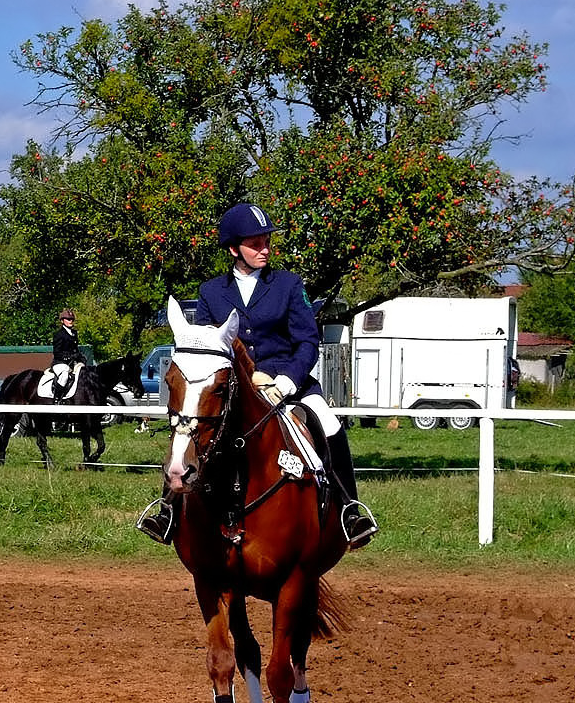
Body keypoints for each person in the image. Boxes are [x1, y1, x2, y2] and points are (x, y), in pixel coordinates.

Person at [137, 202, 378, 548]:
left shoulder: (289, 285)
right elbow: (204, 343)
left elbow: (308, 340)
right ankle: (168, 510)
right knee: (190, 427)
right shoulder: (211, 292)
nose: (264, 249)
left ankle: (350, 511)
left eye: (266, 242)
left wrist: (288, 381)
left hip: (287, 384)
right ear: (234, 249)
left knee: (330, 423)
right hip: (234, 389)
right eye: (255, 244)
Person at [50, 307, 83, 398]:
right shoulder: (59, 334)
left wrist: (80, 357)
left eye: (72, 319)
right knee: (64, 376)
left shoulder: (74, 333)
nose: (70, 321)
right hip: (60, 363)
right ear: (62, 321)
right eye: (68, 319)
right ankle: (57, 398)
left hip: (72, 363)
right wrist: (70, 357)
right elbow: (57, 353)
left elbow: (75, 349)